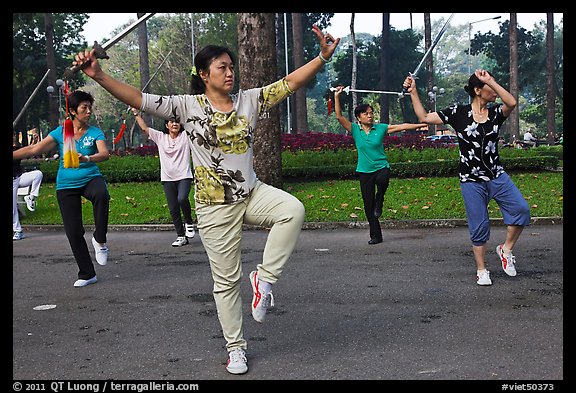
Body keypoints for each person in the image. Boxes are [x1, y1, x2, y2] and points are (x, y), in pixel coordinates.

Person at [72, 24, 340, 374]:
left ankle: (264, 277)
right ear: (204, 74)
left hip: (251, 192)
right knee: (226, 282)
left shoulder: (249, 100)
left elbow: (288, 83)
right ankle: (236, 349)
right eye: (222, 68)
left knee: (293, 209)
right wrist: (99, 75)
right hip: (214, 207)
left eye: (231, 67)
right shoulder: (185, 107)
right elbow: (138, 98)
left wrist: (321, 57)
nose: (230, 73)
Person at [403, 69, 531, 286]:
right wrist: (414, 91)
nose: (495, 92)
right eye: (490, 88)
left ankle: (506, 250)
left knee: (521, 210)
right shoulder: (457, 113)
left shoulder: (496, 114)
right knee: (479, 225)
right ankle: (482, 269)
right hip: (471, 180)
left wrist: (490, 80)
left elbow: (512, 102)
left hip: (496, 175)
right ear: (477, 90)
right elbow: (424, 117)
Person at [13, 90, 111, 288]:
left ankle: (100, 239)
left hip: (90, 177)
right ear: (73, 111)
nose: (89, 111)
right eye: (84, 108)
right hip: (66, 185)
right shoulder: (61, 132)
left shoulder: (94, 132)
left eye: (90, 107)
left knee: (102, 193)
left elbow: (105, 154)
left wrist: (87, 158)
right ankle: (87, 273)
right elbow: (34, 149)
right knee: (74, 232)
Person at [333, 85, 427, 245]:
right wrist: (337, 96)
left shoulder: (380, 128)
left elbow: (401, 126)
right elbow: (339, 117)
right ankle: (376, 235)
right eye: (366, 114)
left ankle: (380, 199)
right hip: (364, 171)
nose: (370, 116)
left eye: (371, 113)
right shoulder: (355, 130)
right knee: (369, 207)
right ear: (358, 118)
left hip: (381, 166)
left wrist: (422, 124)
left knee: (383, 180)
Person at [131, 107, 196, 247]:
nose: (174, 124)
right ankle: (181, 236)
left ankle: (189, 222)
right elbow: (144, 129)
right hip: (167, 178)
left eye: (177, 122)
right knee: (173, 208)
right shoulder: (161, 137)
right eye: (171, 122)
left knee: (182, 198)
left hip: (184, 176)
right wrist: (136, 113)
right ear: (167, 125)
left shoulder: (185, 137)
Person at [13, 129, 44, 240]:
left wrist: (34, 142)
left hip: (19, 177)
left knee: (38, 174)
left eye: (13, 136)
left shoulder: (17, 148)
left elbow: (29, 151)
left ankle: (31, 197)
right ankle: (18, 231)